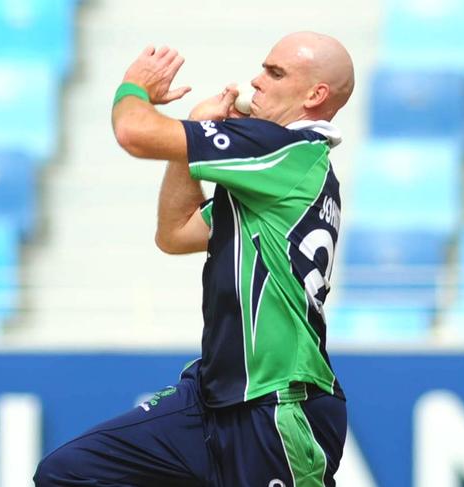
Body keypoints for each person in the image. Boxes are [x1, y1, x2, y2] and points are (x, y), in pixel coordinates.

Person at [33, 31, 355, 487]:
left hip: (278, 403)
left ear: (315, 95)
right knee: (69, 473)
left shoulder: (280, 148)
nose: (256, 81)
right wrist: (194, 133)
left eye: (274, 72)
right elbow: (176, 232)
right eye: (262, 68)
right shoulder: (281, 169)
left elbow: (134, 133)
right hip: (211, 395)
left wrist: (135, 88)